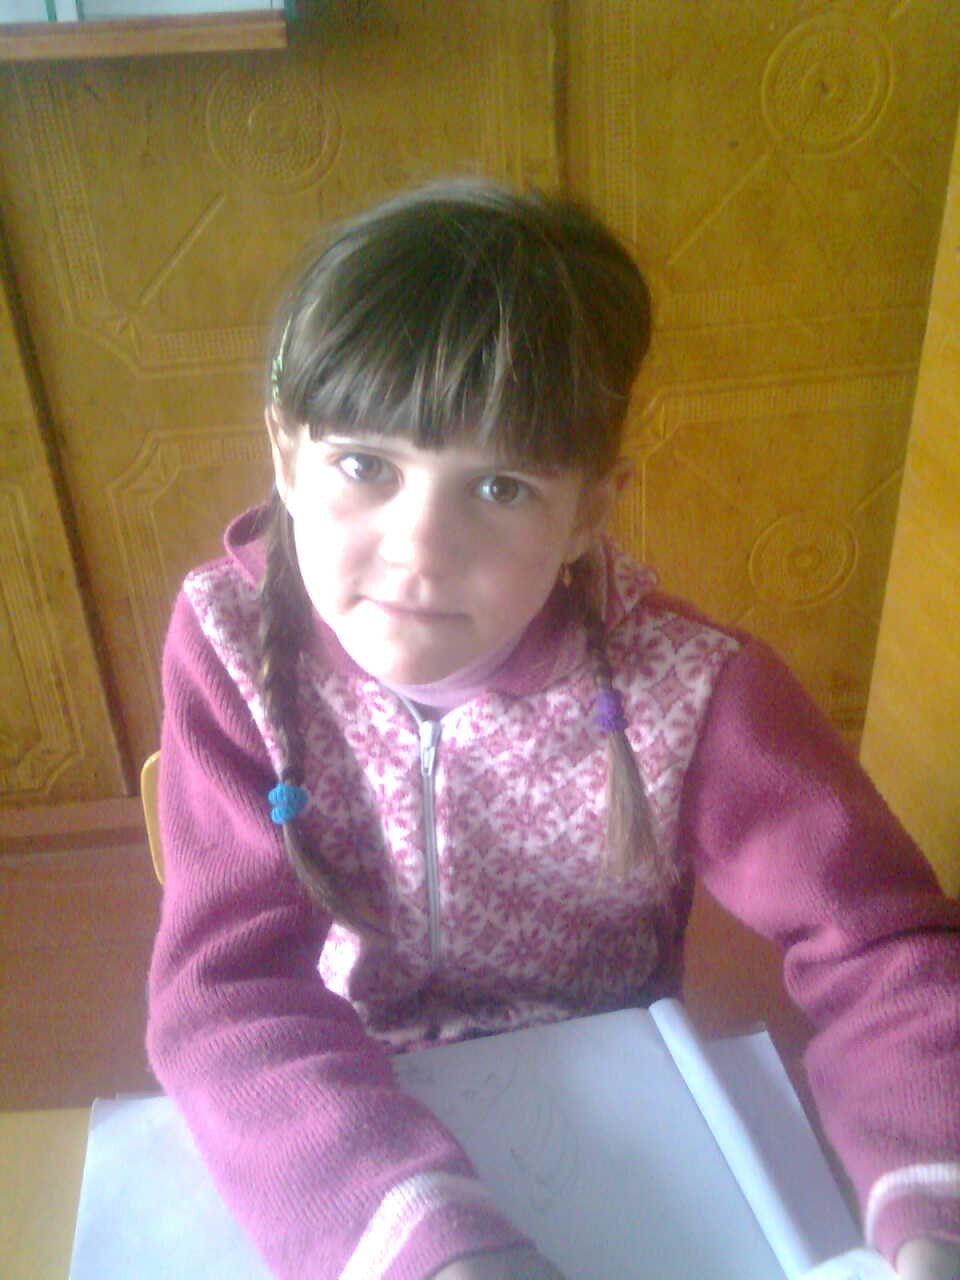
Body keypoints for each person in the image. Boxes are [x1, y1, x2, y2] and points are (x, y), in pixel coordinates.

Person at [147, 179, 960, 1280]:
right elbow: (227, 995)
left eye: (499, 487)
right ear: (287, 458)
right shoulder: (229, 643)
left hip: (632, 1124)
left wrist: (934, 1202)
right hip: (342, 1123)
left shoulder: (695, 686)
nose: (419, 549)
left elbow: (885, 947)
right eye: (363, 465)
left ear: (588, 511)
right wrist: (426, 1246)